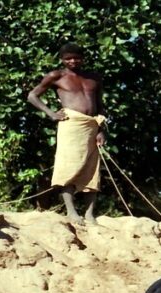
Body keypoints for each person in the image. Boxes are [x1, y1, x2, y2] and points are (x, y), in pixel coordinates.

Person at [27, 42, 106, 225]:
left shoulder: (94, 78)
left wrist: (102, 130)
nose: (73, 61)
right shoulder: (56, 76)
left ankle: (89, 214)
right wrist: (51, 114)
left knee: (92, 170)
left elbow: (100, 105)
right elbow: (32, 95)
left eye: (76, 58)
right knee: (68, 166)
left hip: (92, 125)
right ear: (62, 60)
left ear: (83, 59)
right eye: (68, 58)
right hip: (70, 125)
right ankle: (71, 212)